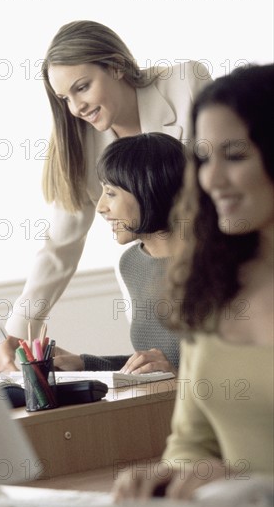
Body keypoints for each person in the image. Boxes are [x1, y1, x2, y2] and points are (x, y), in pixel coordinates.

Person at [0, 20, 212, 373]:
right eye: (65, 98)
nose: (76, 107)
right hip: (155, 284)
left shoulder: (184, 85)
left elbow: (234, 183)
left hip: (216, 268)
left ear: (116, 66)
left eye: (83, 87)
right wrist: (19, 335)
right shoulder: (81, 142)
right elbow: (60, 247)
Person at [113, 63, 274, 501]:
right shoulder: (210, 284)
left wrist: (249, 486)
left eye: (235, 155)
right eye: (203, 158)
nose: (211, 179)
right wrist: (169, 478)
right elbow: (190, 442)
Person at [54, 132, 185, 374]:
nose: (101, 207)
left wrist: (180, 379)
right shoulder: (132, 263)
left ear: (148, 190)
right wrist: (84, 363)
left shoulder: (218, 262)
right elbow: (155, 363)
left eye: (111, 193)